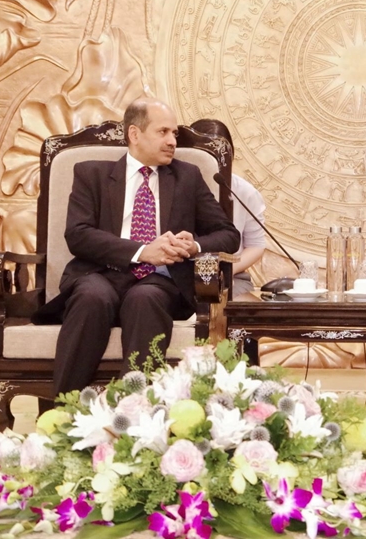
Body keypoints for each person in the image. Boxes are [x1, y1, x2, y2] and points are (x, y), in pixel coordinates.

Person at [38, 98, 240, 396]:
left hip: (160, 280)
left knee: (145, 298)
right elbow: (78, 234)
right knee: (92, 297)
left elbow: (228, 235)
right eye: (163, 132)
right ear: (134, 134)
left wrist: (194, 245)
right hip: (101, 273)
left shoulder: (187, 177)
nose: (172, 141)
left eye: (174, 133)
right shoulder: (91, 174)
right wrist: (142, 251)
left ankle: (133, 406)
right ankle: (66, 406)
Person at [190, 119, 266, 297]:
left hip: (232, 275)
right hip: (180, 274)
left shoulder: (245, 192)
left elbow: (255, 246)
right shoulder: (171, 184)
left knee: (232, 302)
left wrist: (226, 271)